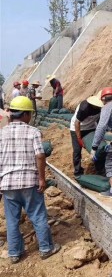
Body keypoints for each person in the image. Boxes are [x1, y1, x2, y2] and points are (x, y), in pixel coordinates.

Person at [0, 96, 60, 263]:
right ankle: (46, 248)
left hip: (8, 183)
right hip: (29, 182)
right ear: (26, 114)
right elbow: (40, 155)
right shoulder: (32, 131)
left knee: (12, 220)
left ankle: (14, 253)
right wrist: (42, 179)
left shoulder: (2, 133)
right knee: (38, 216)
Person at [70, 92, 103, 178]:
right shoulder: (84, 108)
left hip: (91, 127)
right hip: (77, 128)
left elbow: (100, 120)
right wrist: (79, 138)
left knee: (97, 148)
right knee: (77, 151)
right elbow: (77, 123)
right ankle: (77, 172)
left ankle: (100, 168)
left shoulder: (102, 107)